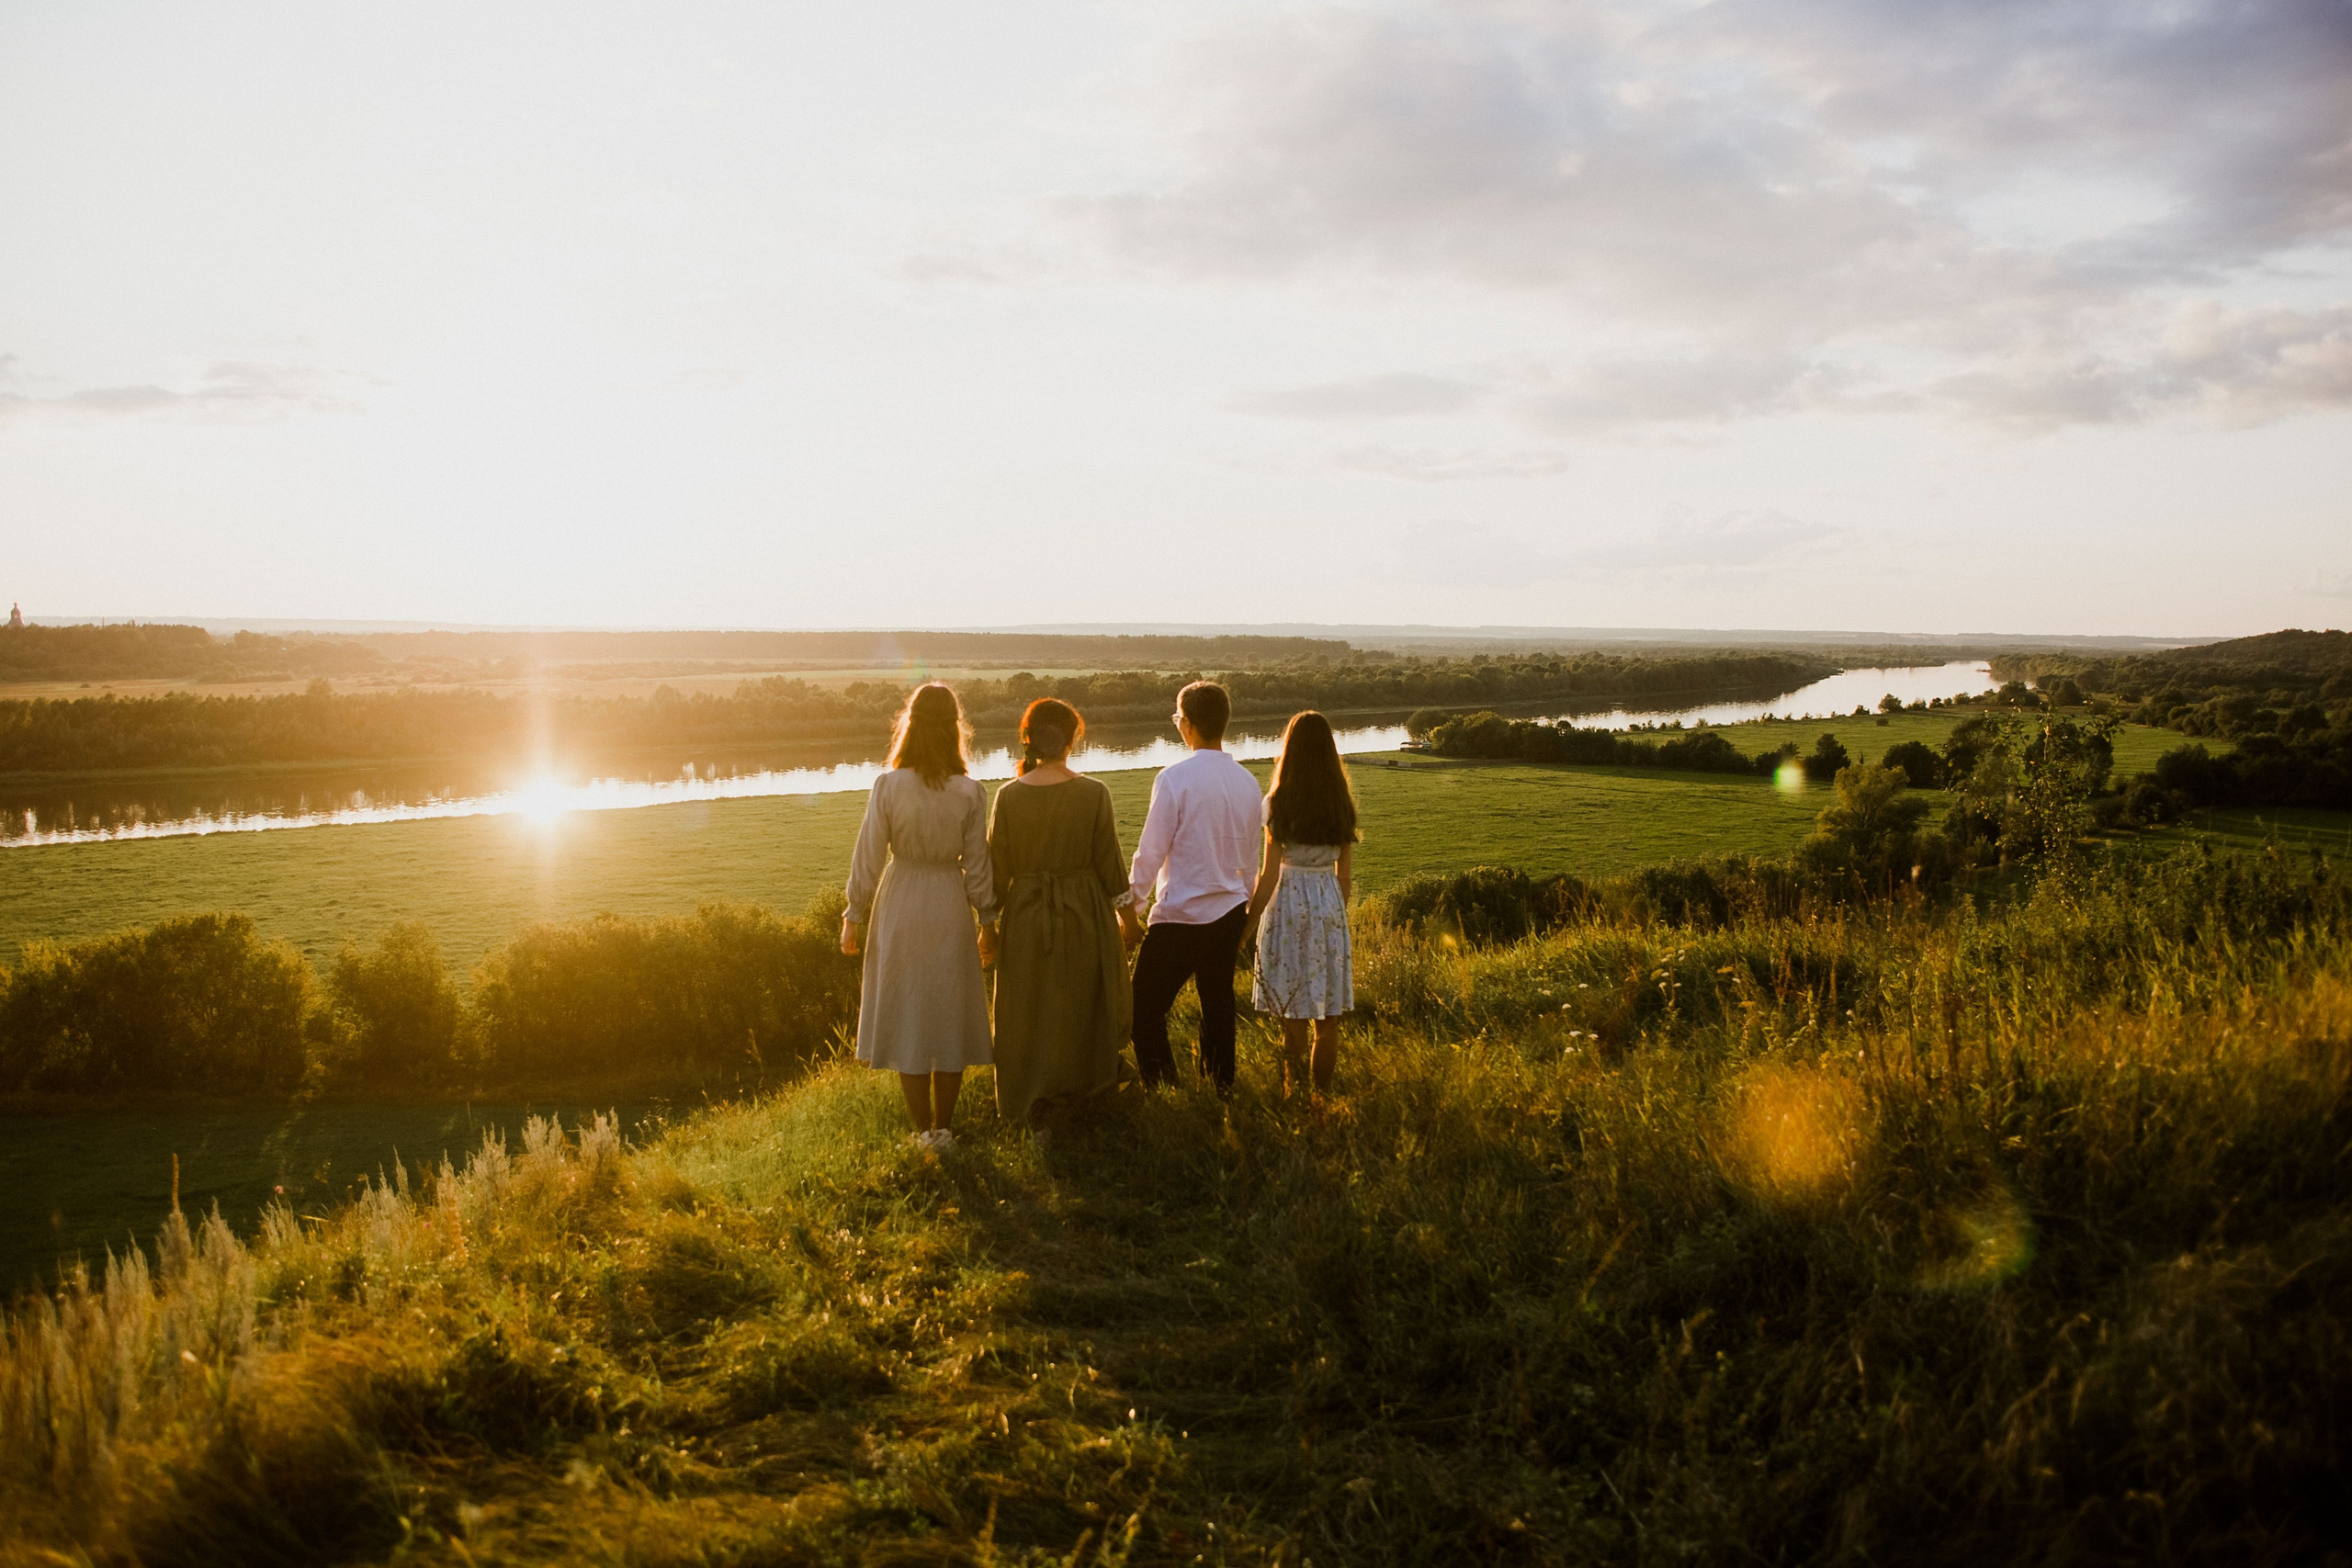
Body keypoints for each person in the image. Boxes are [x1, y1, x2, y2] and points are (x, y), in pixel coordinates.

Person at [842, 682, 999, 1148]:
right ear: (955, 729)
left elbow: (868, 856)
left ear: (909, 726)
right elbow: (978, 867)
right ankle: (945, 1129)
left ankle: (921, 1132)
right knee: (948, 1011)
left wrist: (853, 913)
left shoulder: (888, 785)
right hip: (949, 900)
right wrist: (988, 923)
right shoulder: (970, 791)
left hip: (901, 899)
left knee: (910, 1012)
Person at [987, 698, 1133, 1131]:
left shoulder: (1008, 796)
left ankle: (1033, 1098)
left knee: (1029, 1006)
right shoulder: (1093, 792)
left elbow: (996, 873)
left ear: (1028, 739)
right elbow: (1111, 865)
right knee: (1080, 1000)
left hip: (1027, 917)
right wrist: (1129, 921)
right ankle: (1086, 1089)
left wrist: (987, 929)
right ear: (1073, 739)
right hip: (1084, 913)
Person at [1124, 681, 1263, 1094]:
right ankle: (1220, 1091)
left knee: (1142, 1010)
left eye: (1177, 717)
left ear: (1186, 724)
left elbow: (1150, 853)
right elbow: (1250, 861)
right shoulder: (1247, 782)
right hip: (1230, 913)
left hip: (1181, 916)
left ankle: (1166, 1088)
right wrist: (1248, 917)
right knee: (1217, 1006)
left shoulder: (1174, 779)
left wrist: (1131, 909)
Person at [1243, 711, 1358, 1101]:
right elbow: (1345, 879)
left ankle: (1291, 1098)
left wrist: (1245, 928)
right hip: (1328, 902)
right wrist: (1334, 916)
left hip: (1288, 903)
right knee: (1328, 1023)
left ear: (1289, 750)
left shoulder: (1276, 802)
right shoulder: (1341, 801)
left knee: (1291, 1019)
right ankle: (1320, 1100)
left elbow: (1269, 874)